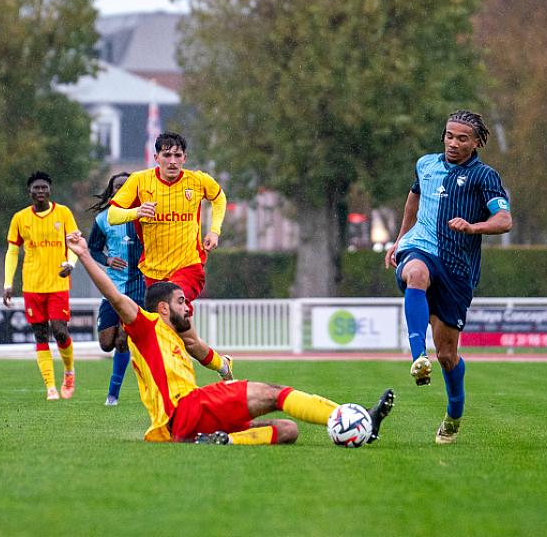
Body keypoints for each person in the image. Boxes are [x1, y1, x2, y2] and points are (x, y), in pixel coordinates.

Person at [66, 230, 395, 445]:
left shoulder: (178, 335)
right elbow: (114, 295)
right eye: (182, 302)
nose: (188, 307)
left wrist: (223, 366)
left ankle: (221, 440)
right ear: (163, 308)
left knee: (287, 431)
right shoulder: (145, 326)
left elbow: (197, 347)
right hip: (185, 410)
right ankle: (354, 418)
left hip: (188, 422)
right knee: (274, 393)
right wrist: (84, 255)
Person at [384, 110, 512, 445]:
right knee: (415, 273)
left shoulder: (484, 177)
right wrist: (401, 238)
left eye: (462, 138)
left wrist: (474, 227)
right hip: (421, 248)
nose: (453, 143)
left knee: (448, 355)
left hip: (457, 269)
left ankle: (454, 414)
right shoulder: (426, 164)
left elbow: (504, 219)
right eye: (449, 136)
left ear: (476, 142)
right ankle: (416, 357)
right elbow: (414, 196)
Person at [107, 131, 226, 314]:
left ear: (184, 158)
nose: (172, 161)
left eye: (177, 155)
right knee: (178, 331)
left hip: (189, 266)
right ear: (156, 157)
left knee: (170, 306)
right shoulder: (139, 181)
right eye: (167, 155)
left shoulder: (197, 181)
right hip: (154, 271)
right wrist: (137, 212)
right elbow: (112, 216)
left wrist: (214, 231)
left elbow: (219, 198)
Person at [3, 171, 80, 401]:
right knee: (40, 335)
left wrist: (71, 264)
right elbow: (13, 252)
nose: (40, 192)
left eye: (44, 188)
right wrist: (8, 283)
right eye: (36, 188)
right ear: (29, 192)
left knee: (60, 330)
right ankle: (50, 386)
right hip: (32, 286)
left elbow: (74, 243)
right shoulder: (20, 218)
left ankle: (69, 371)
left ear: (50, 190)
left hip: (58, 283)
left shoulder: (63, 213)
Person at [87, 173, 147, 406]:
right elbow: (93, 250)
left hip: (138, 289)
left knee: (123, 340)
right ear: (112, 192)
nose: (122, 189)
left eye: (126, 186)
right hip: (112, 290)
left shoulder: (144, 218)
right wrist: (108, 260)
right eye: (118, 187)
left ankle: (113, 395)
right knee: (106, 343)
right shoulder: (104, 219)